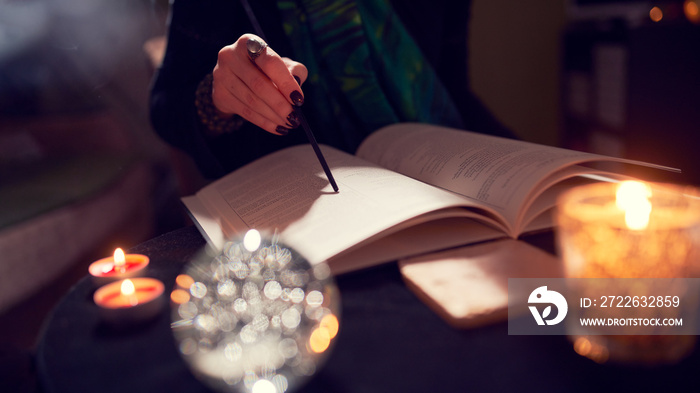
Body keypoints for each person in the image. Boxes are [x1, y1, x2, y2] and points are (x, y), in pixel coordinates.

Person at [149, 0, 514, 179]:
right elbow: (165, 108)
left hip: (438, 179)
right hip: (298, 213)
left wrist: (526, 167)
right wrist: (218, 100)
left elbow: (449, 86)